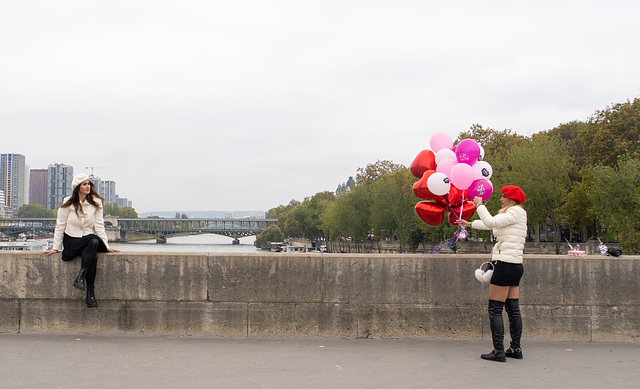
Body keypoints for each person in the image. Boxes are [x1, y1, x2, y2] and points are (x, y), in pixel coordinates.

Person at [457, 185, 527, 362]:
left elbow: (492, 222)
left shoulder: (513, 212)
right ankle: (515, 348)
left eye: (503, 197)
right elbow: (492, 224)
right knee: (513, 309)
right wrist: (470, 223)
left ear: (511, 200)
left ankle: (498, 351)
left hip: (504, 265)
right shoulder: (517, 214)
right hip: (516, 266)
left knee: (495, 309)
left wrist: (479, 205)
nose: (500, 199)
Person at [43, 173, 119, 308]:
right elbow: (60, 226)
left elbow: (99, 225)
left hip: (88, 240)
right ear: (78, 187)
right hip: (72, 240)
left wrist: (106, 245)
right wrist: (55, 247)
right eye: (84, 184)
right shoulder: (67, 203)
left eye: (89, 184)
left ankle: (81, 278)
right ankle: (90, 294)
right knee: (93, 256)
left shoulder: (96, 203)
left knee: (94, 241)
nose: (88, 186)